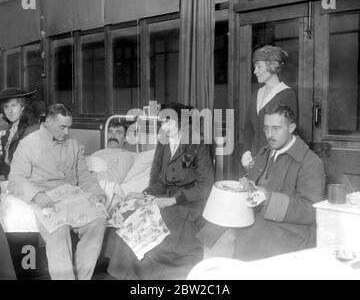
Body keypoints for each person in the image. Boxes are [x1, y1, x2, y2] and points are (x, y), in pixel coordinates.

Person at [198, 104, 325, 261]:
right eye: (266, 129)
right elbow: (253, 182)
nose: (270, 134)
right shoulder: (265, 152)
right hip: (256, 217)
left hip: (287, 229)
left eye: (276, 128)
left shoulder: (310, 161)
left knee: (236, 239)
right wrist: (246, 184)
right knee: (212, 229)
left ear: (291, 128)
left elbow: (311, 211)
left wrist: (268, 199)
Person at [105, 102, 214, 280]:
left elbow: (206, 185)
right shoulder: (164, 143)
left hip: (188, 205)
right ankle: (122, 274)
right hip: (166, 199)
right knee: (126, 209)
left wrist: (173, 200)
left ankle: (126, 276)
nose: (163, 127)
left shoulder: (194, 143)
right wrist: (144, 194)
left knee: (140, 221)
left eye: (167, 122)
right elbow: (162, 182)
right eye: (162, 122)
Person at [8, 104, 107, 280]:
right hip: (46, 198)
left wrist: (97, 192)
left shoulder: (74, 144)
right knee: (59, 230)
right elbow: (15, 179)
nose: (66, 131)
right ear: (48, 122)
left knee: (98, 221)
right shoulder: (28, 144)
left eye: (69, 126)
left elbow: (84, 176)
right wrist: (36, 196)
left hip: (72, 196)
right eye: (62, 126)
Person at [241, 45, 298, 170]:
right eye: (255, 67)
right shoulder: (257, 94)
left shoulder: (286, 94)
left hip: (275, 163)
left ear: (272, 66)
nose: (255, 71)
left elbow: (287, 135)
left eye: (259, 67)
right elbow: (248, 126)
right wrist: (246, 152)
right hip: (253, 160)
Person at [0, 88, 41, 179]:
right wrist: (3, 174)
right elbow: (7, 160)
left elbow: (34, 167)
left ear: (23, 106)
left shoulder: (33, 129)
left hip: (30, 182)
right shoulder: (11, 129)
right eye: (6, 107)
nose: (9, 111)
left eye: (13, 105)